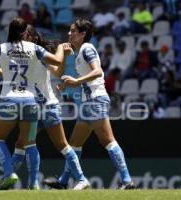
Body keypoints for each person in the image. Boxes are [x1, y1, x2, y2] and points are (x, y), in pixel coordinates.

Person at [0, 25, 90, 190]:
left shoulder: (36, 52)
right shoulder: (27, 54)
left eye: (24, 36)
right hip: (33, 107)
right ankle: (14, 179)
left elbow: (56, 71)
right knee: (23, 143)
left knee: (60, 144)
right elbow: (8, 75)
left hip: (46, 106)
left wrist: (63, 56)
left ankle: (81, 179)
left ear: (30, 37)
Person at [44, 19, 136, 190]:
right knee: (74, 143)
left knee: (108, 140)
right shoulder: (79, 53)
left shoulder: (87, 48)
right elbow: (85, 76)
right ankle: (64, 181)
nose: (69, 34)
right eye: (69, 30)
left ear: (82, 34)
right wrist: (68, 83)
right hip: (89, 102)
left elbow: (98, 71)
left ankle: (127, 180)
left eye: (73, 31)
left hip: (96, 100)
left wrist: (76, 80)